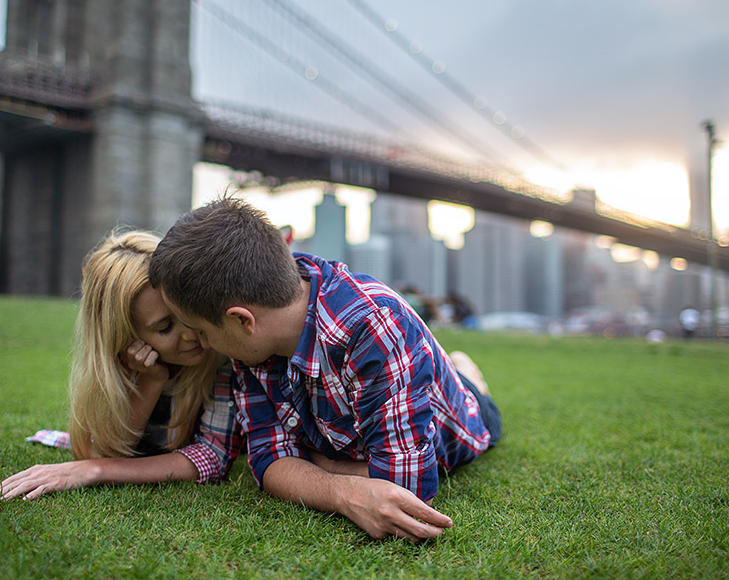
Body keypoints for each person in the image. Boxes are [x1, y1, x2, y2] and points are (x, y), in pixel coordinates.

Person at [148, 197, 501, 542]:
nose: (204, 345)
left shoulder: (374, 325)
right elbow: (269, 461)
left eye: (204, 332)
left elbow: (405, 486)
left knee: (474, 397)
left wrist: (312, 465)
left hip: (463, 419)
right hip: (361, 420)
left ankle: (467, 375)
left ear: (242, 320)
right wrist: (341, 490)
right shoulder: (258, 329)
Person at [0, 230, 242, 500]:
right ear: (126, 337)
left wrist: (94, 471)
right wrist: (151, 381)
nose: (192, 333)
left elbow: (212, 456)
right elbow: (105, 450)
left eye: (187, 311)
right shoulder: (126, 365)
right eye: (166, 327)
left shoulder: (221, 350)